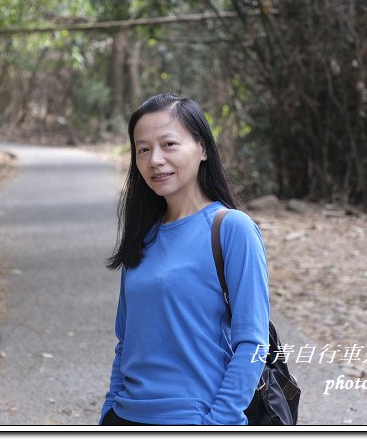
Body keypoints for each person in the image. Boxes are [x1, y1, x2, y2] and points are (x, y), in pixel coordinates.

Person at [99, 93, 270, 426]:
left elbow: (253, 343)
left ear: (202, 148)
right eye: (143, 149)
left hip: (194, 420)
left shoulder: (232, 229)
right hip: (126, 417)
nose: (155, 160)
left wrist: (218, 422)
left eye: (169, 144)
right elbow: (127, 340)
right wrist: (109, 409)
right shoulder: (143, 235)